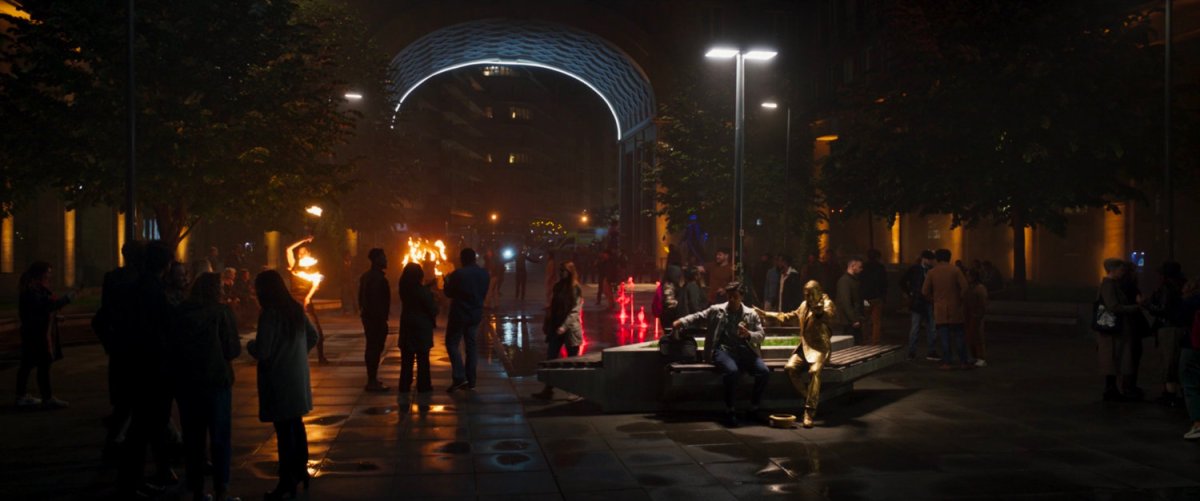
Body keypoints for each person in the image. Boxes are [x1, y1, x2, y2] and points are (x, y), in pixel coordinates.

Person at [167, 273, 241, 501]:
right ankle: (222, 489)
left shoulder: (180, 312)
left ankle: (197, 489)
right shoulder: (221, 313)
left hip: (187, 383)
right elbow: (232, 349)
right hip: (217, 381)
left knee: (193, 437)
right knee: (220, 437)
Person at [247, 270, 319, 500]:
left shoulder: (270, 314)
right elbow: (314, 336)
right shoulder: (295, 309)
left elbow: (264, 351)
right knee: (296, 425)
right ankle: (301, 471)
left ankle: (286, 479)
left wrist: (250, 346)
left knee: (284, 432)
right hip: (296, 377)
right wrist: (297, 354)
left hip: (278, 379)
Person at [117, 241, 180, 498]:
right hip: (153, 366)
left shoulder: (138, 286)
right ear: (165, 265)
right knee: (147, 424)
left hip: (141, 363)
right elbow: (161, 326)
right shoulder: (152, 290)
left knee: (148, 424)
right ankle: (133, 481)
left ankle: (157, 471)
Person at [673, 282, 767, 428]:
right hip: (723, 350)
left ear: (741, 297)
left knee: (764, 372)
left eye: (735, 297)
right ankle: (730, 409)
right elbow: (699, 316)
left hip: (744, 350)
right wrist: (682, 322)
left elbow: (761, 335)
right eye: (729, 297)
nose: (732, 300)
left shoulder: (750, 314)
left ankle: (754, 408)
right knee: (732, 371)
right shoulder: (717, 310)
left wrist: (749, 334)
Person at [755, 280, 834, 428]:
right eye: (806, 295)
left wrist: (819, 310)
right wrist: (766, 314)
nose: (808, 298)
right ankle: (810, 398)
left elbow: (827, 315)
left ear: (818, 292)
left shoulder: (827, 303)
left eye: (811, 295)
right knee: (790, 368)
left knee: (814, 371)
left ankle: (809, 411)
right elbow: (788, 316)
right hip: (804, 347)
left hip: (820, 348)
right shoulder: (804, 305)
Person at [93, 241, 144, 459]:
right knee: (136, 400)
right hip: (136, 347)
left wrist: (111, 343)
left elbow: (103, 316)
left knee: (126, 399)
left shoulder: (113, 278)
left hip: (121, 345)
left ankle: (117, 440)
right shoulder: (141, 281)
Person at [14, 261, 74, 409]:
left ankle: (28, 396)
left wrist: (55, 317)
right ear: (39, 273)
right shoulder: (32, 290)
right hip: (35, 334)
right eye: (48, 272)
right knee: (36, 365)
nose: (50, 275)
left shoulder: (35, 288)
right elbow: (43, 306)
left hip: (36, 332)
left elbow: (40, 310)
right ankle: (39, 398)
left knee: (33, 365)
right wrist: (66, 299)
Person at [533, 262, 585, 399]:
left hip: (569, 329)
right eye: (560, 270)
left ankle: (575, 390)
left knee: (572, 362)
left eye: (564, 271)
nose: (561, 273)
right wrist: (548, 323)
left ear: (570, 272)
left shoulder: (575, 288)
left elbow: (575, 311)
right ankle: (548, 389)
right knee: (551, 359)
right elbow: (553, 307)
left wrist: (564, 326)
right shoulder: (558, 286)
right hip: (556, 327)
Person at [1095, 258, 1142, 401]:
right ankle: (1111, 390)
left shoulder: (1112, 284)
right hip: (1113, 331)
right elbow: (1113, 306)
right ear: (1113, 270)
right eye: (1121, 269)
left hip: (1115, 330)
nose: (1123, 272)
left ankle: (1113, 389)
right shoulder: (1109, 285)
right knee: (1113, 358)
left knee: (1115, 359)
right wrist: (1135, 308)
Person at [444, 248, 490, 392]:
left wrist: (446, 282)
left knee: (452, 343)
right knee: (471, 345)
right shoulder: (484, 274)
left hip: (459, 313)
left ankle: (459, 377)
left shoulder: (458, 274)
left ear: (462, 259)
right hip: (476, 313)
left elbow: (449, 293)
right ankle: (471, 380)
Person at [1146, 261, 1186, 407]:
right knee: (1176, 361)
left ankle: (1170, 394)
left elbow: (1163, 309)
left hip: (1169, 328)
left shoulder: (1167, 288)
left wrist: (1146, 304)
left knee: (1169, 361)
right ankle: (1176, 393)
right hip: (1179, 327)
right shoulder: (1181, 285)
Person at [923, 249, 970, 370]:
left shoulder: (932, 272)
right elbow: (965, 287)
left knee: (944, 337)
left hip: (940, 309)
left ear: (937, 258)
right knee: (959, 336)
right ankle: (963, 361)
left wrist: (933, 299)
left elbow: (924, 291)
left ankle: (947, 362)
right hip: (955, 308)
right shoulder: (955, 270)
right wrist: (959, 298)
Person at [286, 237, 327, 364]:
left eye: (303, 252)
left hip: (305, 300)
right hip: (293, 300)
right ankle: (293, 357)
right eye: (299, 252)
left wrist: (308, 297)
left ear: (309, 254)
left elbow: (316, 284)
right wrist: (303, 240)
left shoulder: (313, 268)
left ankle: (321, 357)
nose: (300, 254)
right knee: (292, 330)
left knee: (317, 330)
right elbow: (288, 249)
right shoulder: (294, 265)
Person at [398, 262, 438, 393]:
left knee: (406, 360)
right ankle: (423, 385)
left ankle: (404, 385)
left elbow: (416, 291)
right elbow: (432, 308)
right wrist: (432, 294)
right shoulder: (423, 292)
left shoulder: (404, 289)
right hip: (421, 328)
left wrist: (426, 287)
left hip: (407, 326)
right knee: (423, 359)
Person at [357, 248, 391, 392]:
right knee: (374, 348)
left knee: (372, 347)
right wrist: (380, 318)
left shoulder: (366, 276)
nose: (386, 260)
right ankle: (371, 381)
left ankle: (372, 379)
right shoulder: (377, 279)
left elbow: (360, 298)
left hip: (369, 317)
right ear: (376, 259)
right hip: (375, 318)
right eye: (383, 257)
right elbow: (376, 300)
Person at [901, 251, 939, 361]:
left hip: (925, 301)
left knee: (928, 328)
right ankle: (913, 351)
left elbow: (903, 281)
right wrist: (909, 293)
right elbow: (902, 281)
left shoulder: (924, 269)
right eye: (929, 259)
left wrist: (910, 293)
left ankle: (928, 351)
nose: (931, 261)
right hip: (919, 301)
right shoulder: (916, 269)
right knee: (918, 328)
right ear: (924, 259)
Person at [1178, 278, 1200, 439]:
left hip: (1193, 346)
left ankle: (1198, 423)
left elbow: (1180, 319)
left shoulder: (1190, 303)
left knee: (1190, 383)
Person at [860, 249, 889, 345]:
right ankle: (875, 341)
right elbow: (884, 283)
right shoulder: (880, 268)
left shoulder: (863, 267)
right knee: (876, 321)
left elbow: (860, 282)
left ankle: (865, 339)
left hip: (866, 297)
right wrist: (883, 296)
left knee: (865, 319)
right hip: (877, 297)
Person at [835, 257, 865, 344]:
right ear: (853, 266)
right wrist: (854, 319)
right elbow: (846, 302)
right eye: (859, 267)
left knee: (857, 344)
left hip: (852, 319)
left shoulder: (852, 280)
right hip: (848, 321)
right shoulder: (845, 281)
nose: (861, 269)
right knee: (852, 344)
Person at [964, 268, 989, 368]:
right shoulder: (970, 288)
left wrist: (978, 314)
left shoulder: (979, 288)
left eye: (968, 276)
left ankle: (981, 357)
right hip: (969, 314)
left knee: (978, 336)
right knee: (971, 336)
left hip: (976, 314)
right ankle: (974, 356)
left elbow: (983, 303)